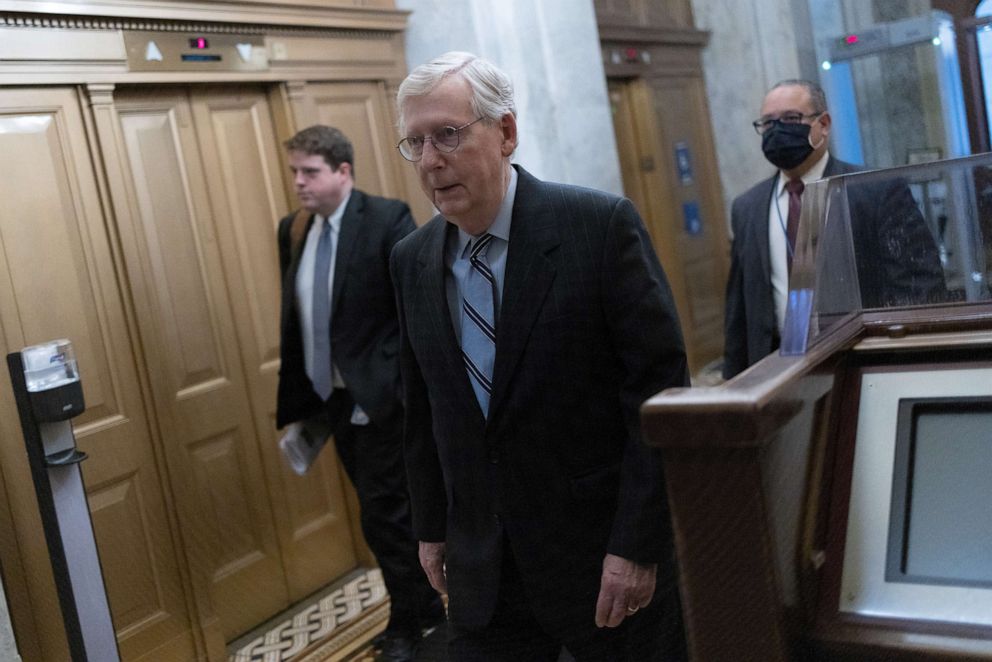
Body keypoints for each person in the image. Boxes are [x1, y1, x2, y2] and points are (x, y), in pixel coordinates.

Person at [389, 52, 689, 660]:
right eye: (414, 143)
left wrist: (636, 544)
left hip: (599, 554)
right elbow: (421, 406)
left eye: (447, 134)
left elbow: (657, 399)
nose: (429, 161)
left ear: (505, 132)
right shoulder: (411, 260)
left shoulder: (598, 227)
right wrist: (430, 528)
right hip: (484, 565)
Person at [275, 125, 442, 662]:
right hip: (335, 403)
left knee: (386, 514)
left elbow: (411, 310)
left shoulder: (387, 218)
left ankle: (412, 621)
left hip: (383, 400)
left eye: (310, 172)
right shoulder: (294, 230)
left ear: (343, 172)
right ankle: (420, 613)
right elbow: (303, 319)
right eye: (295, 172)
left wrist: (390, 386)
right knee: (381, 513)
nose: (298, 182)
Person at [723, 79, 946, 379]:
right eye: (767, 123)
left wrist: (911, 365)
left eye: (790, 119)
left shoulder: (876, 189)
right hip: (777, 372)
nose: (777, 130)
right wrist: (734, 382)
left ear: (823, 124)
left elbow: (918, 287)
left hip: (862, 364)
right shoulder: (747, 207)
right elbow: (738, 308)